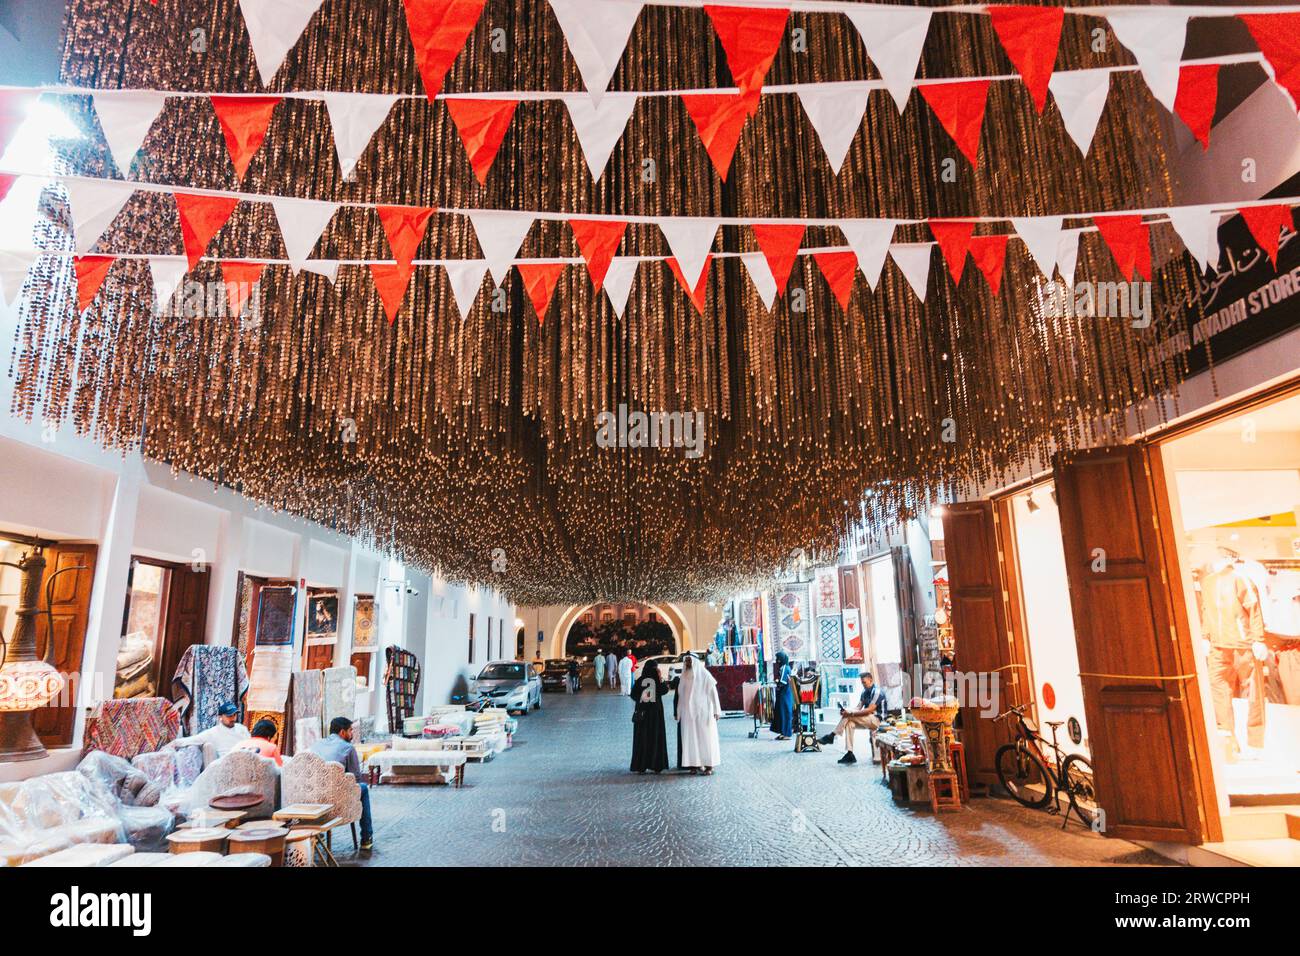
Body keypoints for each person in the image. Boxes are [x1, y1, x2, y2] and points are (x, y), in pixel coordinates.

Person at [311, 716, 374, 851]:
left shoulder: (316, 745)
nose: (352, 734)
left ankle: (317, 834)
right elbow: (355, 779)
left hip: (314, 797)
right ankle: (366, 838)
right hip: (336, 799)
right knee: (363, 788)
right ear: (342, 732)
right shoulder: (348, 748)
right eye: (350, 730)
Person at [819, 671, 887, 764]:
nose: (863, 684)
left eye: (864, 682)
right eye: (862, 682)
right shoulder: (864, 691)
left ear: (870, 680)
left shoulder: (877, 691)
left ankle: (832, 735)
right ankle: (850, 753)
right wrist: (847, 711)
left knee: (849, 717)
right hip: (868, 720)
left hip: (878, 721)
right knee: (849, 723)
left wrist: (850, 714)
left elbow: (869, 710)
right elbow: (858, 707)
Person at [677, 655, 722, 774]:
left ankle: (709, 765)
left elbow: (713, 693)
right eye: (686, 661)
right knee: (691, 739)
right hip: (688, 713)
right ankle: (694, 764)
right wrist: (679, 711)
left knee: (706, 738)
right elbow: (681, 695)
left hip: (704, 711)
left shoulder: (705, 675)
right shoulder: (684, 676)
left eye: (689, 661)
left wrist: (717, 710)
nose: (687, 663)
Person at [629, 656, 670, 773]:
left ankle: (641, 764)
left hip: (642, 714)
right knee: (656, 737)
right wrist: (660, 678)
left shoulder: (640, 680)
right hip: (655, 714)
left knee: (642, 738)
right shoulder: (657, 681)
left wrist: (641, 699)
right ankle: (656, 764)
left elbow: (633, 695)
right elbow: (665, 691)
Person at [170, 701, 249, 757]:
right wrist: (171, 744)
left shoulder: (242, 729)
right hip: (227, 764)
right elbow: (192, 740)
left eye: (234, 715)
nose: (233, 718)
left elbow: (251, 743)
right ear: (220, 717)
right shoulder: (213, 732)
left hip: (245, 759)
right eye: (229, 716)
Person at [770, 652, 794, 740]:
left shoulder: (784, 668)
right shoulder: (786, 667)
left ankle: (786, 734)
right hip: (785, 694)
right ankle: (783, 732)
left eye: (778, 658)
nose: (777, 660)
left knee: (785, 713)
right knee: (782, 713)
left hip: (784, 694)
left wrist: (777, 682)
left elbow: (783, 682)